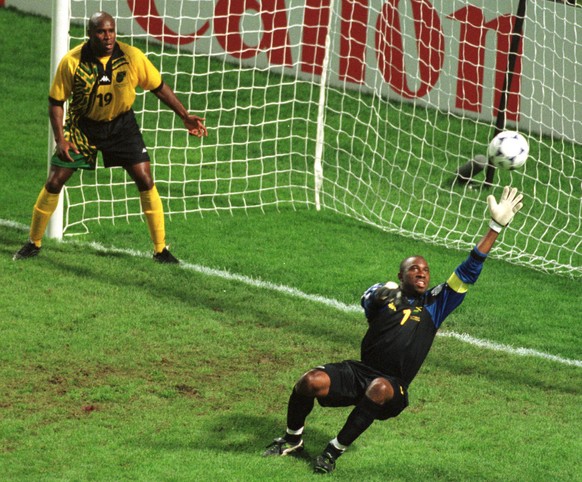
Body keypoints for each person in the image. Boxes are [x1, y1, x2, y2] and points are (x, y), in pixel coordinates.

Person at [263, 186, 524, 474]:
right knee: (310, 381)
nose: (422, 272)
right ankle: (292, 438)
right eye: (414, 269)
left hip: (393, 385)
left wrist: (495, 227)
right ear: (401, 276)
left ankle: (332, 451)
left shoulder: (436, 304)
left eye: (425, 270)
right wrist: (378, 294)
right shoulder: (386, 297)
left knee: (379, 388)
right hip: (360, 371)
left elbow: (469, 269)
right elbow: (368, 297)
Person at [13, 11, 207, 264]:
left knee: (145, 178)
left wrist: (184, 115)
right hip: (83, 128)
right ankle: (33, 243)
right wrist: (60, 139)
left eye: (111, 31)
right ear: (90, 34)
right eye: (101, 31)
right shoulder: (72, 62)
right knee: (55, 181)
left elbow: (158, 86)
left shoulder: (131, 57)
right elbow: (56, 102)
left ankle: (161, 250)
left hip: (121, 126)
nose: (108, 36)